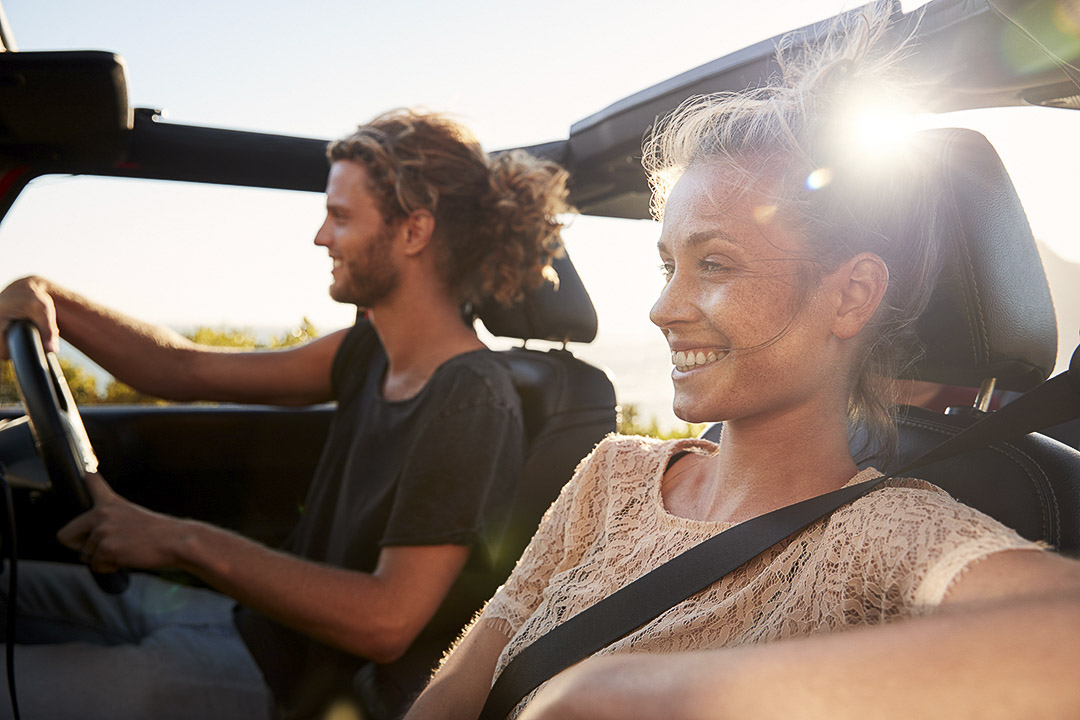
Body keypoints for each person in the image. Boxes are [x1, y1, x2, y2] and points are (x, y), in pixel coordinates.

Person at [404, 11, 1080, 720]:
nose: (664, 308)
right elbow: (467, 679)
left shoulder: (883, 536)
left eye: (714, 264)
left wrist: (632, 694)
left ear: (850, 296)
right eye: (668, 265)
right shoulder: (611, 478)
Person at [0, 109, 571, 720]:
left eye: (341, 216)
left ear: (414, 232)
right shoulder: (367, 352)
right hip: (251, 628)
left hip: (293, 685)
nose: (321, 237)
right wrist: (46, 295)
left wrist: (177, 539)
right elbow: (185, 371)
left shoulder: (472, 399)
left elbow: (386, 621)